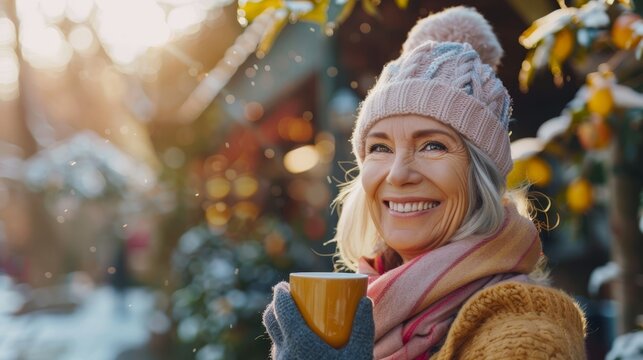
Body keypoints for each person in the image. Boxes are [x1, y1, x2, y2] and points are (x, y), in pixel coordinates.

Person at [263, 6, 587, 359]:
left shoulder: (528, 330)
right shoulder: (367, 304)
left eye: (433, 145)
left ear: (480, 174)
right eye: (380, 147)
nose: (399, 174)